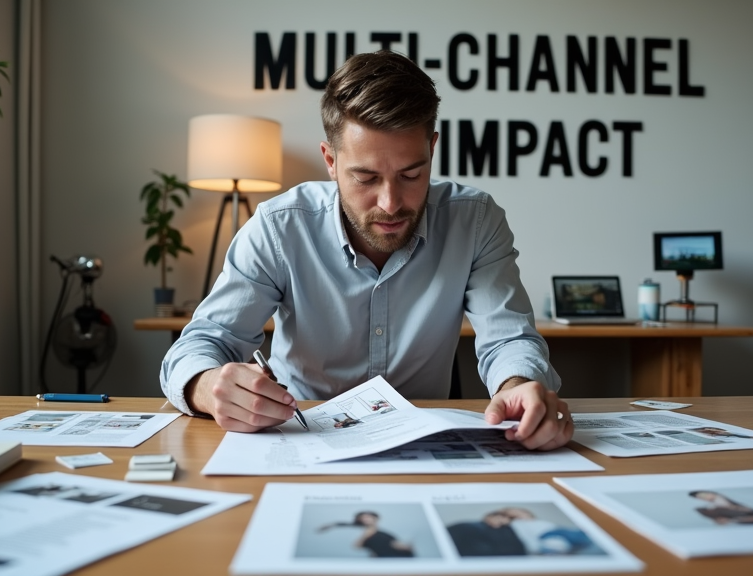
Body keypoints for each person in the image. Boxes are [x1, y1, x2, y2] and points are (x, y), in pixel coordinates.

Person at [159, 50, 573, 451]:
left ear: (433, 149)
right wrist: (209, 388)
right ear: (331, 161)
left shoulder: (476, 221)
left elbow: (508, 340)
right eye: (365, 177)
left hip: (423, 449)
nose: (390, 203)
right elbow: (204, 343)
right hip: (300, 440)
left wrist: (518, 387)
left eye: (412, 174)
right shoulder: (279, 227)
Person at [318, 511, 414, 558]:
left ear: (375, 519)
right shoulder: (362, 533)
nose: (366, 519)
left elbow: (396, 545)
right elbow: (357, 546)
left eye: (368, 517)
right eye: (363, 518)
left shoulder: (385, 535)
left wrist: (404, 546)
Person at [447, 509, 528, 556]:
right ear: (490, 517)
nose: (507, 521)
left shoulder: (513, 537)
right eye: (512, 518)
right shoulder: (467, 528)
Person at [688, 491, 753, 525]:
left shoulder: (732, 495)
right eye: (701, 498)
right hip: (748, 517)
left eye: (704, 494)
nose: (704, 498)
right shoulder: (714, 507)